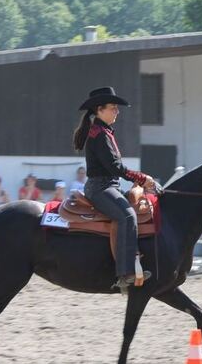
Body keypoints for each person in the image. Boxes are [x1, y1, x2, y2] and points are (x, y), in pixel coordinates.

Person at [74, 86, 155, 290]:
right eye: (113, 108)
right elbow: (114, 167)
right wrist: (141, 177)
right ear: (99, 110)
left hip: (108, 186)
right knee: (127, 216)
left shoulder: (103, 132)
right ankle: (125, 272)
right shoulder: (99, 134)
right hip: (100, 188)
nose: (117, 111)